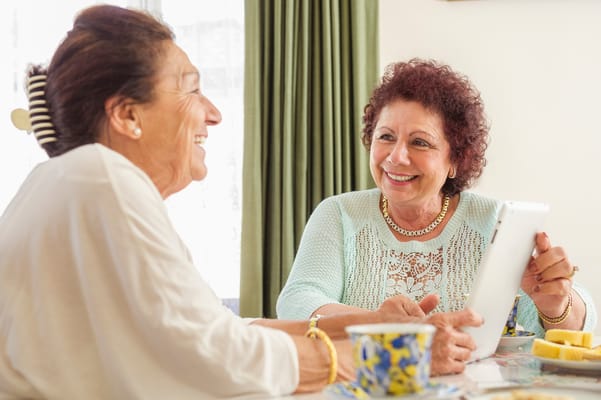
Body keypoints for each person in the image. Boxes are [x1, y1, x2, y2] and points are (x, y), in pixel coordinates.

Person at [0, 7, 484, 399]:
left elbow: (217, 329)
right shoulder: (103, 182)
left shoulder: (67, 182)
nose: (213, 113)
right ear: (127, 115)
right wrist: (398, 353)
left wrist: (371, 325)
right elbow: (218, 356)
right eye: (192, 89)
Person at [277, 59, 597, 341]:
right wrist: (377, 323)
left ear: (456, 158)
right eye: (386, 136)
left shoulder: (491, 222)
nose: (396, 157)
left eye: (420, 142)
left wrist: (556, 305)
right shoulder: (338, 214)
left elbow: (571, 323)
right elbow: (297, 302)